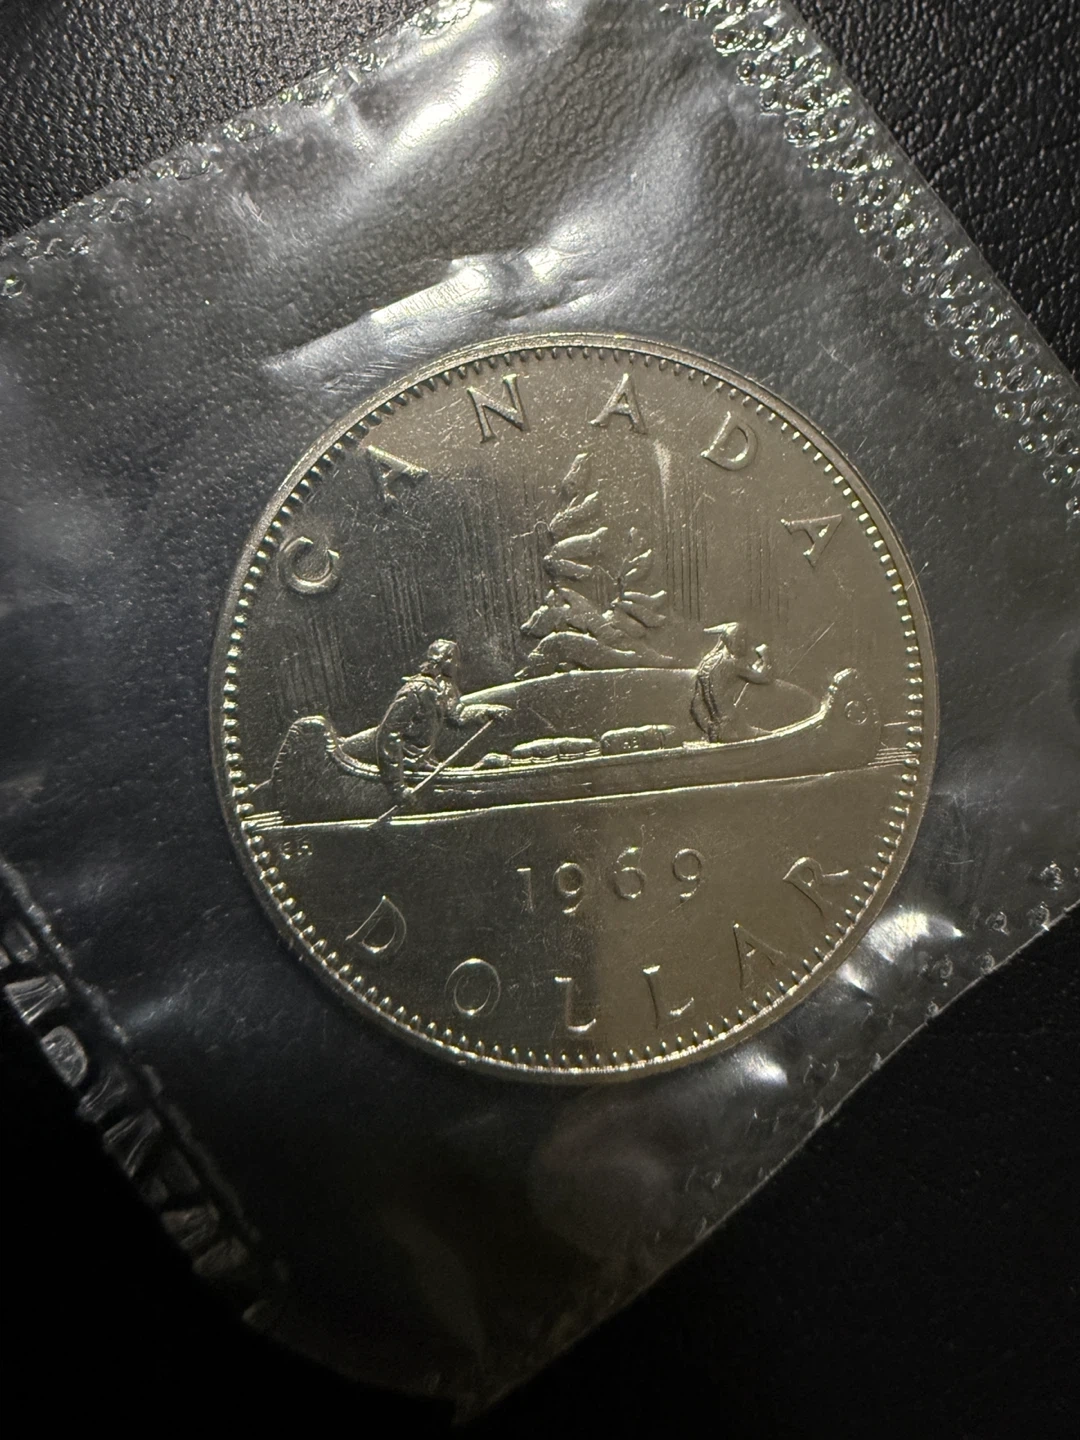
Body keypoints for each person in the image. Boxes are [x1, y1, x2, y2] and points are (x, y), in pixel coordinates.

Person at [375, 640, 508, 800]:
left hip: (426, 763)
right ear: (446, 660)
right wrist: (397, 787)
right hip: (409, 766)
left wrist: (488, 710)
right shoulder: (415, 690)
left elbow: (457, 714)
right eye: (455, 660)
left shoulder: (443, 687)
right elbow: (388, 735)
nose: (458, 666)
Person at [691, 623, 772, 742]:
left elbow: (696, 705)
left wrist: (708, 728)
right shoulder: (731, 664)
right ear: (729, 642)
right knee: (768, 736)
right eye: (739, 639)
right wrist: (765, 656)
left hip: (714, 730)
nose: (744, 644)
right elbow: (764, 678)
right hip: (734, 728)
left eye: (745, 638)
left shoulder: (707, 662)